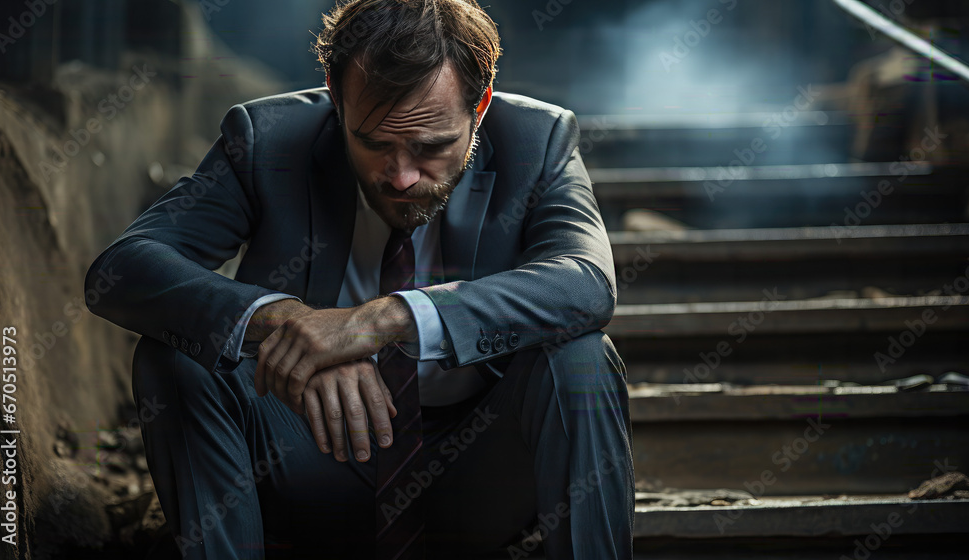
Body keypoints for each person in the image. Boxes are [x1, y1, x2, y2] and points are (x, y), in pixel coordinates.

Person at [85, 0, 634, 558]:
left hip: (478, 476)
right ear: (335, 94)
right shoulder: (265, 141)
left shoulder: (538, 141)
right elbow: (123, 267)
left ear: (481, 103)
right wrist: (287, 324)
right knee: (175, 358)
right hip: (308, 458)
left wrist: (382, 320)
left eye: (432, 147)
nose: (400, 176)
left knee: (581, 360)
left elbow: (584, 282)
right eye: (373, 143)